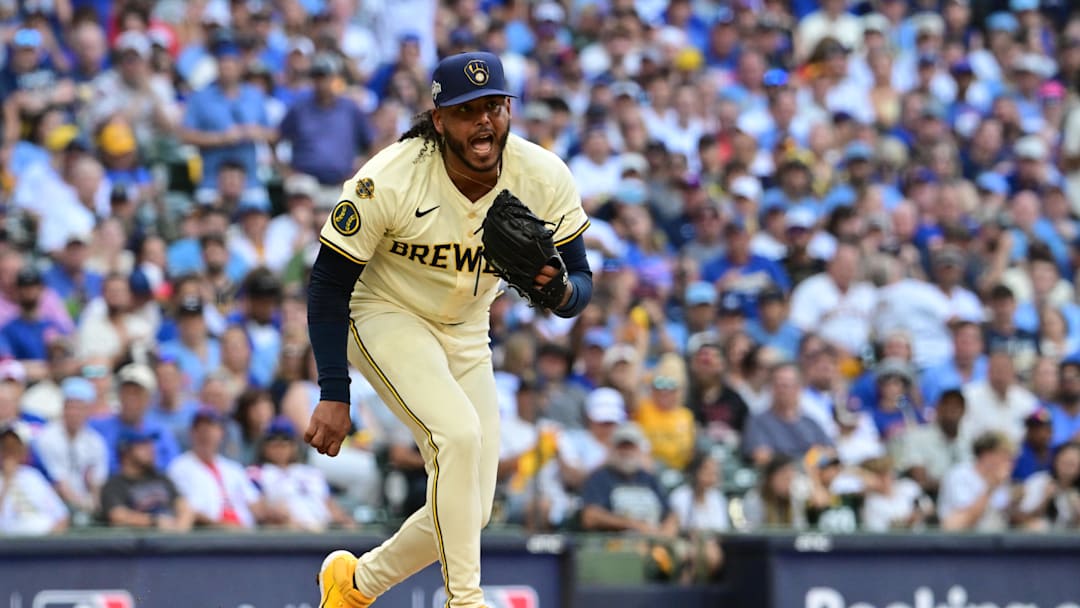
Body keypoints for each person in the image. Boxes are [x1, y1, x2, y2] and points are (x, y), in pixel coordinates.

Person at [305, 52, 593, 608]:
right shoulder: (389, 177)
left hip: (466, 327)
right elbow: (327, 284)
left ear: (509, 110)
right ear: (439, 119)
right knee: (456, 439)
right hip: (384, 311)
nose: (483, 121)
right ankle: (466, 601)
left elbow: (579, 282)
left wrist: (559, 291)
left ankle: (355, 586)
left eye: (493, 107)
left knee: (469, 505)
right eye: (466, 111)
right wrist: (334, 391)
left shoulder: (543, 174)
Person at [32, 377, 108, 523]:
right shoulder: (47, 437)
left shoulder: (94, 441)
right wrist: (83, 505)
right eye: (70, 406)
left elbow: (97, 481)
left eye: (80, 407)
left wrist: (94, 505)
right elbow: (59, 483)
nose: (74, 412)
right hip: (55, 504)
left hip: (86, 505)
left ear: (89, 410)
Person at [98, 428, 195, 531]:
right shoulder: (114, 485)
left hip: (172, 541)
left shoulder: (160, 477)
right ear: (126, 451)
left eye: (150, 444)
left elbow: (183, 505)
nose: (151, 449)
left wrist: (180, 527)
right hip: (141, 543)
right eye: (143, 445)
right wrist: (154, 521)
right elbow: (118, 515)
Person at [938, 431, 1017, 532]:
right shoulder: (959, 475)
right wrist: (992, 487)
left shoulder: (1002, 482)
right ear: (987, 455)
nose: (1009, 464)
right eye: (1004, 456)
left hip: (995, 541)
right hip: (961, 542)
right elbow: (961, 522)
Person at [0, 422, 69, 536]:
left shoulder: (33, 476)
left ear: (24, 451)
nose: (10, 452)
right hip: (9, 545)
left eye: (15, 447)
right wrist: (7, 481)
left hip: (41, 542)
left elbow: (61, 517)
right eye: (6, 447)